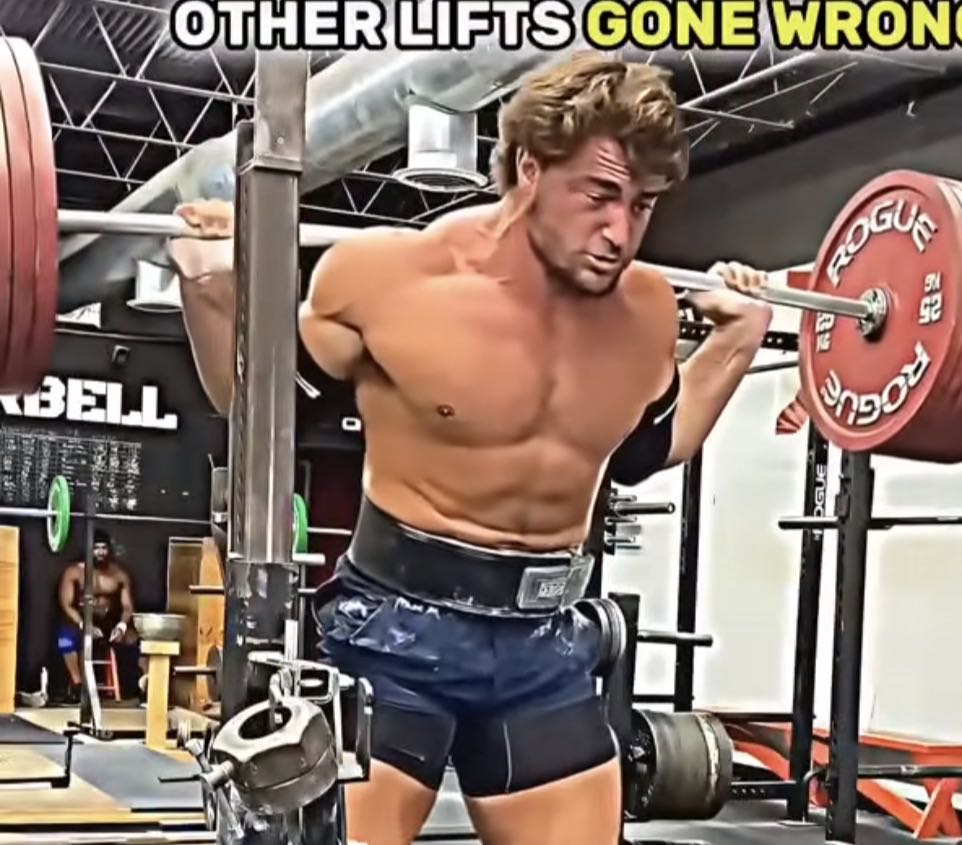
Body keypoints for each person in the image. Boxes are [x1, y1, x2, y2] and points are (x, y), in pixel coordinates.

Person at [167, 52, 773, 845]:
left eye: (642, 205)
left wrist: (736, 342)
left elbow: (649, 449)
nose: (621, 233)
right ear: (529, 168)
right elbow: (256, 410)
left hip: (546, 644)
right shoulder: (390, 280)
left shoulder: (647, 312)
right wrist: (212, 290)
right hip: (394, 635)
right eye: (598, 196)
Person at [57, 529, 142, 702]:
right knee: (65, 638)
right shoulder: (74, 572)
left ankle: (144, 685)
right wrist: (84, 624)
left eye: (104, 548)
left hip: (108, 623)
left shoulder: (119, 575)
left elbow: (127, 607)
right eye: (96, 548)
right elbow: (66, 604)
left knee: (139, 641)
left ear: (109, 550)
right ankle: (77, 686)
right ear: (89, 550)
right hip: (80, 621)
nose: (100, 552)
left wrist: (121, 626)